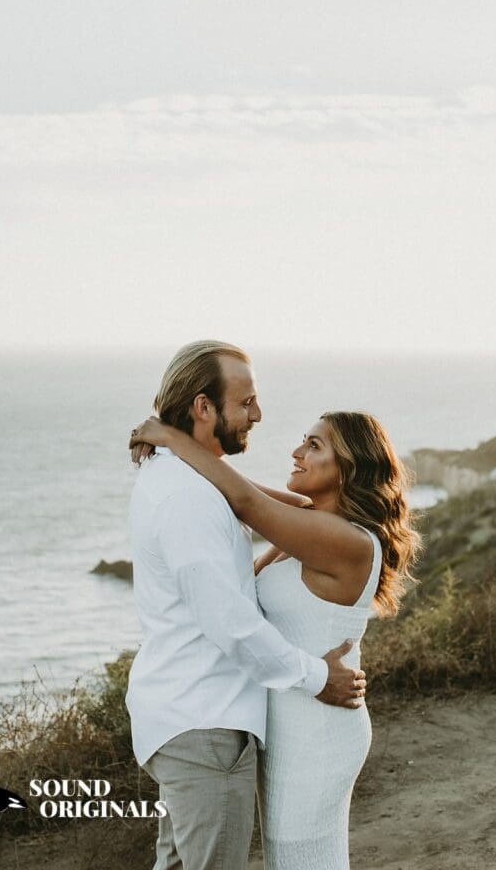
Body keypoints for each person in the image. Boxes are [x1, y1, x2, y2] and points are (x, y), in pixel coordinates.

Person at [129, 343, 422, 870]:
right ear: (204, 405)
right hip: (285, 714)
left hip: (318, 721)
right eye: (303, 441)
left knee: (302, 859)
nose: (295, 451)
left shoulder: (351, 543)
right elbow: (253, 496)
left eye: (313, 446)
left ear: (347, 468)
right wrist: (179, 451)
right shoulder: (304, 531)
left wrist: (170, 437)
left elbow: (243, 501)